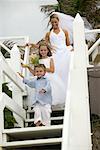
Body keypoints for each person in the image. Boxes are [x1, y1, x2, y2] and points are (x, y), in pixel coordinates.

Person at [22, 41, 66, 107]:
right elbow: (35, 73)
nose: (43, 52)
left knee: (50, 90)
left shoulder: (50, 59)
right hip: (40, 79)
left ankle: (51, 103)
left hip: (50, 77)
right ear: (39, 51)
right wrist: (28, 67)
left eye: (45, 50)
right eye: (41, 50)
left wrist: (43, 69)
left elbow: (52, 70)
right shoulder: (38, 60)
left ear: (48, 51)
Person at [45, 13, 72, 91]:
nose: (54, 24)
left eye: (55, 22)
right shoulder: (48, 34)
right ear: (50, 23)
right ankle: (60, 89)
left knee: (66, 70)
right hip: (55, 54)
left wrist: (70, 48)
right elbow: (46, 45)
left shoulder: (64, 31)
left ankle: (69, 87)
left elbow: (68, 44)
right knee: (57, 72)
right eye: (52, 22)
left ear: (58, 21)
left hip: (64, 52)